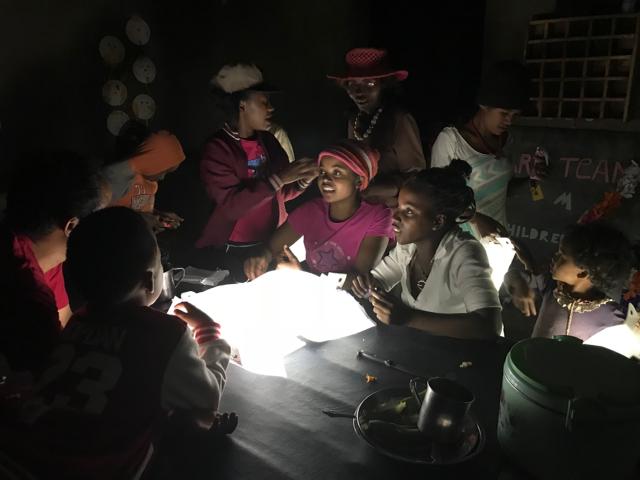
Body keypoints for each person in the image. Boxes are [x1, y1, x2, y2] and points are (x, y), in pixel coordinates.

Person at [1, 207, 235, 479]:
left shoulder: (78, 323)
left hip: (26, 453)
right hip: (93, 468)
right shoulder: (166, 333)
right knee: (198, 418)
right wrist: (210, 334)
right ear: (150, 280)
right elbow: (208, 397)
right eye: (161, 265)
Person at [352, 161, 502, 340]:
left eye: (408, 212)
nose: (395, 217)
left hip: (459, 356)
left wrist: (408, 317)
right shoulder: (407, 248)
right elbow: (378, 280)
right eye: (398, 207)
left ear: (437, 221)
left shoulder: (464, 252)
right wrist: (366, 286)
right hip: (417, 349)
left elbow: (488, 325)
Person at [195, 63, 318, 278]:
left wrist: (302, 180)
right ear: (242, 104)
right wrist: (281, 178)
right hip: (233, 250)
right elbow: (232, 206)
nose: (270, 108)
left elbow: (279, 194)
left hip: (270, 244)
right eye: (264, 101)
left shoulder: (269, 141)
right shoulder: (217, 149)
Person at [0, 151, 106, 375]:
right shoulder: (27, 293)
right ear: (71, 226)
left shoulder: (49, 261)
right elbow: (54, 372)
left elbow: (65, 324)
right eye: (99, 219)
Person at [244, 140, 393, 286]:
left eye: (337, 173)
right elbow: (272, 247)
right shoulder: (312, 210)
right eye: (322, 172)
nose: (326, 179)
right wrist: (261, 257)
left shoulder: (378, 217)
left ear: (359, 181)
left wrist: (301, 275)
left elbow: (358, 281)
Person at [431, 60, 540, 239]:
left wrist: (531, 179)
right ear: (484, 105)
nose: (509, 121)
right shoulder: (452, 141)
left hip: (497, 238)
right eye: (504, 113)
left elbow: (502, 188)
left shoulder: (507, 142)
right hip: (461, 241)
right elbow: (436, 195)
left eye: (515, 115)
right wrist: (475, 218)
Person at [329, 48, 426, 206]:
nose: (359, 91)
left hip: (393, 211)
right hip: (360, 208)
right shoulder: (354, 120)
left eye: (370, 83)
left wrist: (376, 189)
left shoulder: (400, 120)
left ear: (384, 85)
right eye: (352, 84)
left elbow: (417, 176)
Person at [506, 222, 633, 341]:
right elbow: (512, 276)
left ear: (583, 272)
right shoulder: (553, 289)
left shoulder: (612, 317)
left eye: (562, 255)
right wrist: (518, 283)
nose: (554, 257)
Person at [108, 120, 186, 233]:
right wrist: (141, 219)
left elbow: (137, 206)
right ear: (150, 161)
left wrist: (157, 215)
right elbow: (104, 217)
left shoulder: (150, 183)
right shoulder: (118, 181)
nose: (162, 178)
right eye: (162, 171)